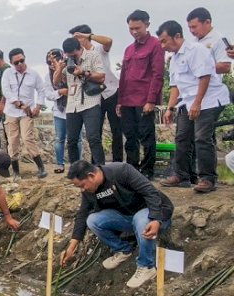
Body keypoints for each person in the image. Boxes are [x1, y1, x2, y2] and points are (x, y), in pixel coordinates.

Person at [61, 160, 174, 288]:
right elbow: (82, 214)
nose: (82, 190)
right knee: (92, 220)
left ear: (91, 176)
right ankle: (123, 250)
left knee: (140, 219)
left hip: (152, 213)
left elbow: (150, 192)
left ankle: (146, 266)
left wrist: (155, 219)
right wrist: (72, 247)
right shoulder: (88, 191)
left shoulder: (121, 171)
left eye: (82, 185)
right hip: (128, 217)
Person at [158, 20, 230, 193]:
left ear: (177, 36)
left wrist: (198, 103)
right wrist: (170, 108)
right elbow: (176, 86)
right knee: (182, 137)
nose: (162, 45)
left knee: (202, 137)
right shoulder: (174, 59)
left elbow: (204, 77)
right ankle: (181, 175)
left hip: (208, 99)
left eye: (164, 41)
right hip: (187, 101)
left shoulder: (196, 51)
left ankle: (207, 179)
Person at [117, 10, 165, 180]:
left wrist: (151, 100)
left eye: (137, 27)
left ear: (147, 25)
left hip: (144, 99)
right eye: (131, 28)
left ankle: (148, 171)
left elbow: (158, 74)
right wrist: (120, 101)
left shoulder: (155, 45)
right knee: (129, 136)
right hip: (127, 99)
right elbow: (123, 76)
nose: (134, 31)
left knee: (146, 136)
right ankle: (131, 169)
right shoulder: (129, 49)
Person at [70, 24, 123, 163]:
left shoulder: (99, 49)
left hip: (111, 92)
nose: (75, 41)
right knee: (94, 133)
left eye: (77, 37)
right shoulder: (77, 57)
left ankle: (117, 163)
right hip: (94, 97)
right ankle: (96, 165)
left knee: (116, 131)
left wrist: (89, 35)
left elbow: (109, 41)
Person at [54, 37, 106, 165]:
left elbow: (101, 77)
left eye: (74, 54)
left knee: (93, 138)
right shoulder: (67, 61)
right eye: (69, 55)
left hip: (90, 102)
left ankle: (101, 170)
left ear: (79, 48)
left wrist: (84, 72)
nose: (73, 57)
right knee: (71, 140)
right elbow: (56, 83)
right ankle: (76, 170)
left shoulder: (92, 55)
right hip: (72, 104)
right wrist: (60, 68)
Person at [1, 48, 47, 179]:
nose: (20, 64)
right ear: (11, 63)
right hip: (11, 111)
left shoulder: (33, 74)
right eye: (16, 62)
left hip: (27, 112)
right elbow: (6, 91)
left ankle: (41, 168)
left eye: (22, 60)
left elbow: (41, 90)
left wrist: (38, 106)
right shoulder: (7, 74)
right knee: (13, 140)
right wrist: (17, 103)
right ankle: (15, 171)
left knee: (27, 138)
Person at [45, 48, 82, 173]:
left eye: (55, 60)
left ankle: (78, 164)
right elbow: (49, 94)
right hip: (60, 111)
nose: (52, 64)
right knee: (60, 138)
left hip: (75, 109)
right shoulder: (48, 76)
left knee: (77, 139)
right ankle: (60, 164)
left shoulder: (71, 70)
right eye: (49, 62)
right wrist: (60, 92)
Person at [187, 7, 232, 77]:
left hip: (212, 86)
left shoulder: (220, 39)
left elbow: (225, 67)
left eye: (194, 27)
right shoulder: (191, 42)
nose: (191, 31)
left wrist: (199, 68)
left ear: (207, 22)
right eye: (189, 27)